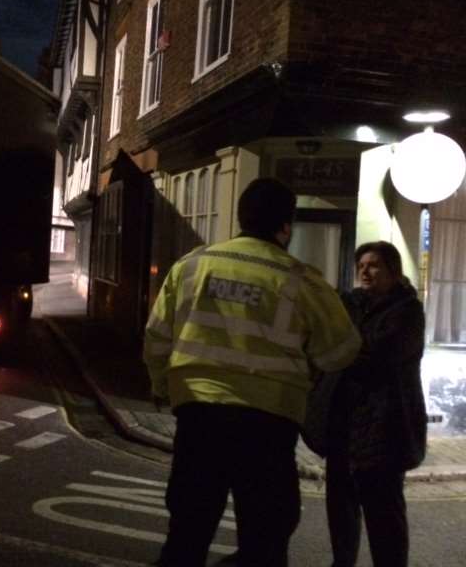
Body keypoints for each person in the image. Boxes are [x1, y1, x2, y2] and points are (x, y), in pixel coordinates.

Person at [143, 177, 361, 567]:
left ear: (241, 217)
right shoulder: (302, 279)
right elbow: (341, 352)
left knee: (187, 533)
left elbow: (156, 340)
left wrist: (162, 386)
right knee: (265, 539)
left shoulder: (191, 266)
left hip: (198, 413)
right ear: (286, 226)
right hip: (269, 424)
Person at [325, 241, 427, 567]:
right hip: (344, 425)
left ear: (393, 272)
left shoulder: (407, 311)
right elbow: (327, 341)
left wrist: (342, 351)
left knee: (385, 518)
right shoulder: (348, 303)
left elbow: (378, 357)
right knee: (341, 514)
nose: (366, 272)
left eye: (374, 265)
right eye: (361, 266)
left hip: (385, 428)